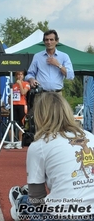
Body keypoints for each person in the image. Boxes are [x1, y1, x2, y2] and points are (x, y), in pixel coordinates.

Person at [9, 92, 94, 221]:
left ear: (39, 116)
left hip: (62, 214)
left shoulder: (39, 145)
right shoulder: (90, 136)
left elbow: (37, 198)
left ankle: (20, 202)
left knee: (34, 201)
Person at [25, 29, 74, 94]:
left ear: (57, 41)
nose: (49, 42)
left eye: (51, 40)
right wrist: (31, 79)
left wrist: (58, 65)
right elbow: (30, 74)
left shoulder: (64, 56)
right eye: (46, 40)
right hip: (42, 93)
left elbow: (71, 76)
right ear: (44, 42)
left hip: (57, 94)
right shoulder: (37, 56)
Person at [4, 71, 30, 150]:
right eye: (18, 74)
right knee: (10, 124)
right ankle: (12, 142)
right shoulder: (13, 85)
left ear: (23, 76)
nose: (19, 76)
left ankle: (19, 142)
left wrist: (19, 84)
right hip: (14, 106)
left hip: (22, 105)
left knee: (21, 124)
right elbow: (10, 98)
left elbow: (23, 92)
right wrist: (9, 98)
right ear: (16, 76)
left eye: (21, 74)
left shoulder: (26, 84)